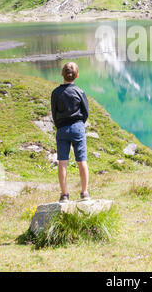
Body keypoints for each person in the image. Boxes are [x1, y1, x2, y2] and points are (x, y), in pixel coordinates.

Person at [51, 62, 90, 203]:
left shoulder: (56, 93)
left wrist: (60, 125)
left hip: (62, 129)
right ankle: (84, 193)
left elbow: (54, 113)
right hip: (77, 127)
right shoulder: (80, 92)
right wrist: (79, 124)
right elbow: (85, 112)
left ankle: (64, 195)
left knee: (62, 161)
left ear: (62, 74)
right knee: (81, 160)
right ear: (77, 75)